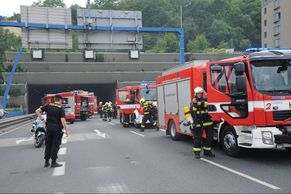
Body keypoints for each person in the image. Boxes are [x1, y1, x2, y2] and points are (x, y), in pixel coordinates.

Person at [35, 95, 68, 168]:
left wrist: (43, 120)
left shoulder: (48, 105)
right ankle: (53, 162)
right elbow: (63, 120)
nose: (62, 101)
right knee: (55, 145)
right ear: (59, 100)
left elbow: (37, 111)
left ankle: (46, 162)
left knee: (48, 145)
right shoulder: (60, 108)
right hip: (57, 129)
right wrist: (66, 130)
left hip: (48, 128)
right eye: (61, 100)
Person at [190, 87, 215, 159]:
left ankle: (207, 151)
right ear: (195, 94)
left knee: (210, 137)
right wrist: (197, 104)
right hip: (198, 122)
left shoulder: (205, 100)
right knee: (198, 139)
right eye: (198, 93)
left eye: (200, 93)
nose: (199, 95)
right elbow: (193, 109)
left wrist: (199, 104)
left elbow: (206, 105)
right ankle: (197, 153)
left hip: (207, 122)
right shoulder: (192, 102)